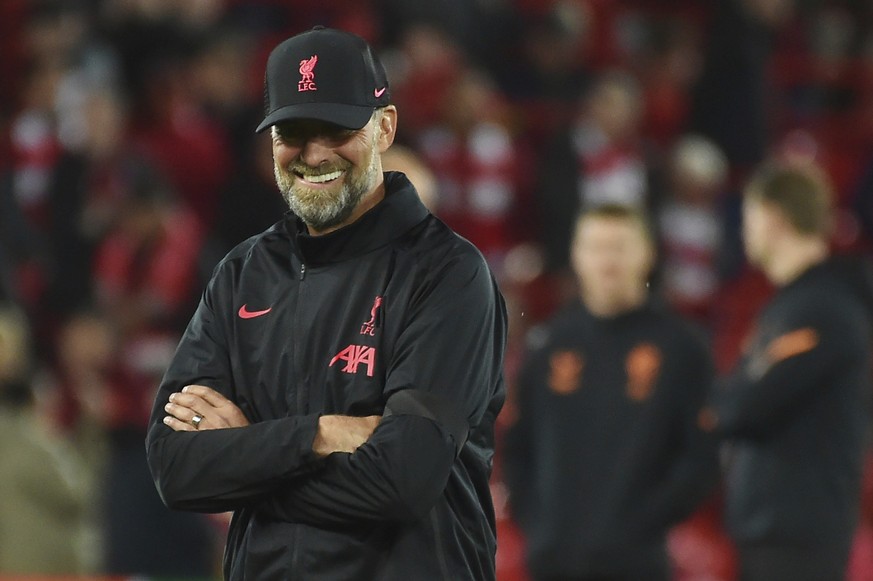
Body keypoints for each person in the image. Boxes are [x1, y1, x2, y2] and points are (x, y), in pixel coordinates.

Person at [145, 26, 507, 580]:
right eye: (292, 131)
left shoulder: (448, 274)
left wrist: (245, 455)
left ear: (384, 127)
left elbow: (402, 481)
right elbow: (175, 468)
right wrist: (320, 434)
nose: (313, 154)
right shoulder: (242, 274)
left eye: (336, 128)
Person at [504, 204, 719, 581]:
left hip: (636, 564)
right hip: (552, 561)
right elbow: (518, 450)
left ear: (647, 253)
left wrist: (641, 524)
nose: (607, 260)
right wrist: (540, 526)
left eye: (619, 247)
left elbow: (701, 459)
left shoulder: (682, 347)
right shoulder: (549, 344)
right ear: (576, 254)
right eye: (596, 246)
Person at [699, 162, 873, 581]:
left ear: (774, 218)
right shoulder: (790, 306)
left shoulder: (822, 309)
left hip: (799, 536)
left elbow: (743, 407)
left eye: (750, 217)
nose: (745, 232)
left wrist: (719, 403)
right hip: (776, 531)